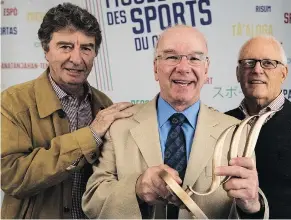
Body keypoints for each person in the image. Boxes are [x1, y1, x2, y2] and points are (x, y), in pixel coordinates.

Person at [82, 25, 268, 219]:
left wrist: (253, 206)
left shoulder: (236, 132)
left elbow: (248, 208)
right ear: (155, 68)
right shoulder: (119, 126)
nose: (183, 68)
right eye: (172, 57)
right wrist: (136, 188)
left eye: (195, 58)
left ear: (206, 69)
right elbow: (92, 202)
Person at [1, 3, 133, 219]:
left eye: (86, 48)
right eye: (65, 47)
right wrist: (90, 136)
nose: (77, 59)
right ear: (46, 50)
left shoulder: (104, 104)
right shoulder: (13, 102)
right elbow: (12, 176)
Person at [225, 35, 291, 218]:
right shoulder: (222, 125)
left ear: (284, 73)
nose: (257, 70)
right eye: (249, 62)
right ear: (238, 73)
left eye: (268, 63)